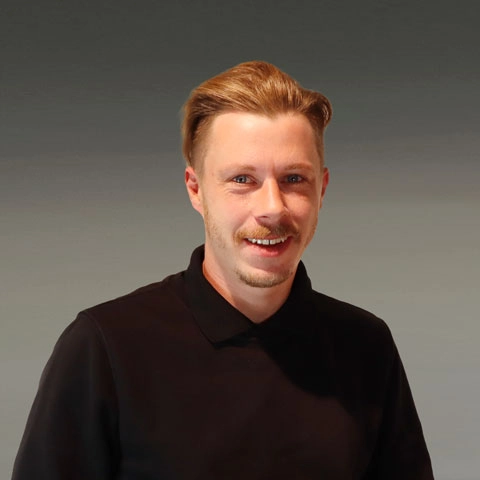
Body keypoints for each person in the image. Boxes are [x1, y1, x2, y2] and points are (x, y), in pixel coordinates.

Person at [12, 61, 434, 479]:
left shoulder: (366, 347)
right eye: (242, 180)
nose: (272, 208)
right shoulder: (105, 347)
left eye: (293, 179)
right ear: (196, 189)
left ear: (321, 190)